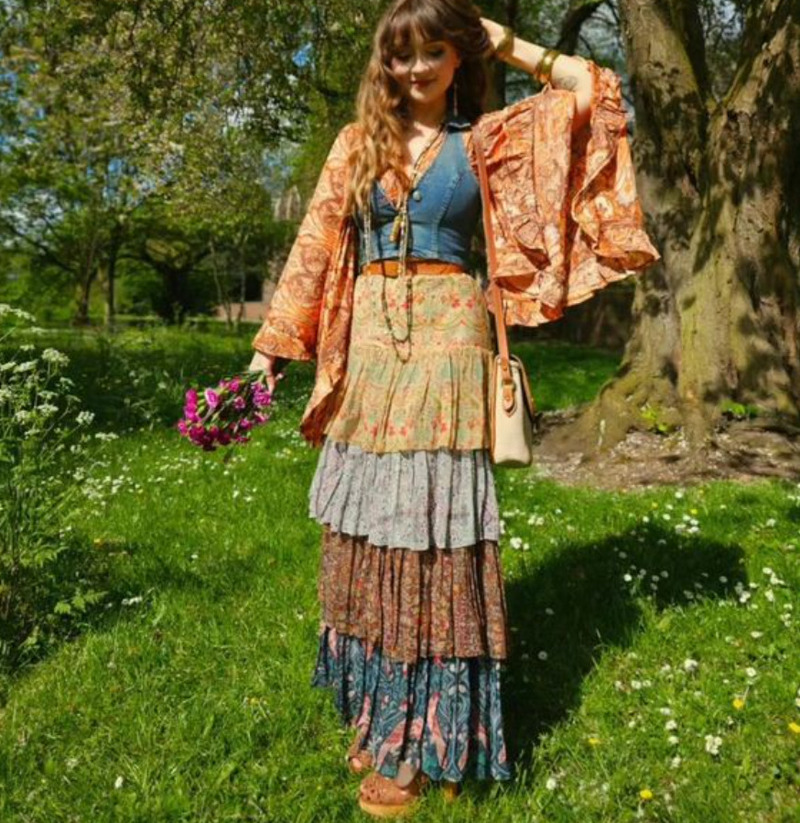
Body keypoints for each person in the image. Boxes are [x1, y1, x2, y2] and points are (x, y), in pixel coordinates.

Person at [249, 0, 661, 816]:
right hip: (370, 347)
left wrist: (502, 42)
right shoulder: (356, 143)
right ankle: (380, 707)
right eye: (400, 55)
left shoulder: (486, 141)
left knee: (431, 533)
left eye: (432, 52)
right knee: (371, 529)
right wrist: (270, 351)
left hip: (447, 342)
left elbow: (592, 89)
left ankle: (421, 738)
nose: (415, 70)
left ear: (454, 57)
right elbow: (314, 245)